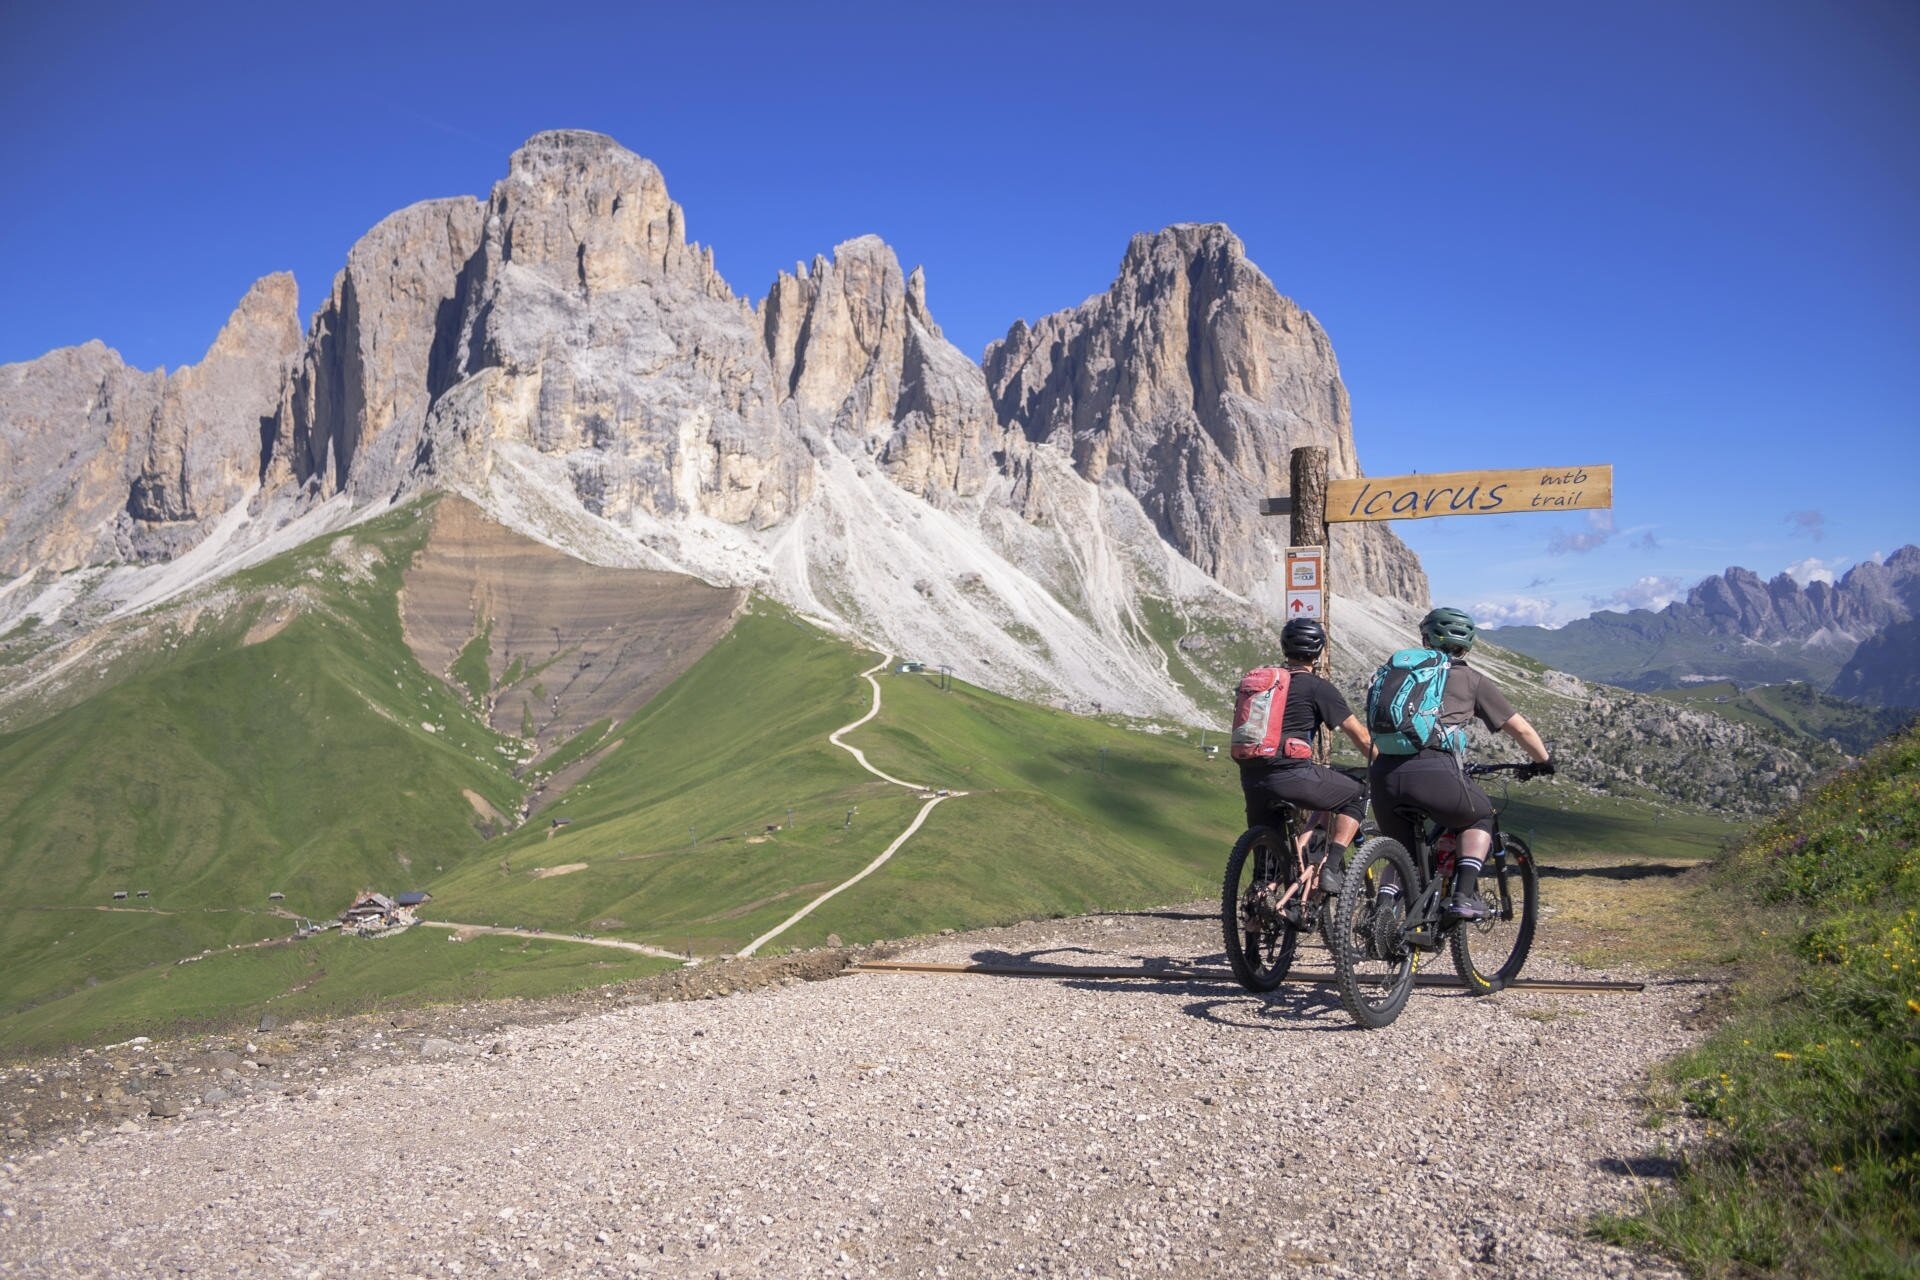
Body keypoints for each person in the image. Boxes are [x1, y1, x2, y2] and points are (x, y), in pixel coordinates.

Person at [1366, 606, 1553, 920]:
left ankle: (1380, 917)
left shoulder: (1399, 674)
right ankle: (1464, 895)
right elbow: (1519, 728)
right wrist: (1543, 761)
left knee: (1403, 855)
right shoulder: (1471, 679)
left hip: (1384, 773)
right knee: (1480, 817)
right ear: (1467, 644)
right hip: (1433, 771)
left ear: (1425, 638)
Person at [1238, 618, 1377, 901]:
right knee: (1357, 794)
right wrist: (1383, 764)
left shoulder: (1264, 687)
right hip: (1293, 776)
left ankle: (1255, 918)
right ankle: (1333, 867)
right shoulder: (1317, 687)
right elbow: (1360, 736)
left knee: (1266, 859)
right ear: (1319, 651)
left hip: (1252, 778)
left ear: (1284, 647)